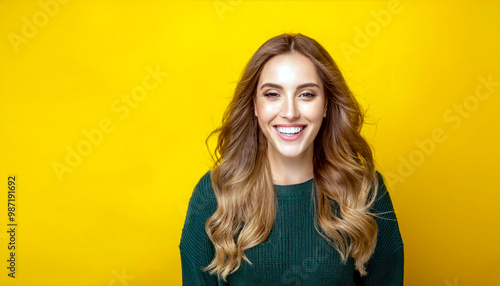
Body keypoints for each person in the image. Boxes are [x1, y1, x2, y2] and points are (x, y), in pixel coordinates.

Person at [179, 33, 404, 285]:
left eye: (306, 94)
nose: (289, 112)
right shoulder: (214, 194)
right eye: (272, 94)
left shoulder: (364, 191)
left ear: (327, 105)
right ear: (254, 105)